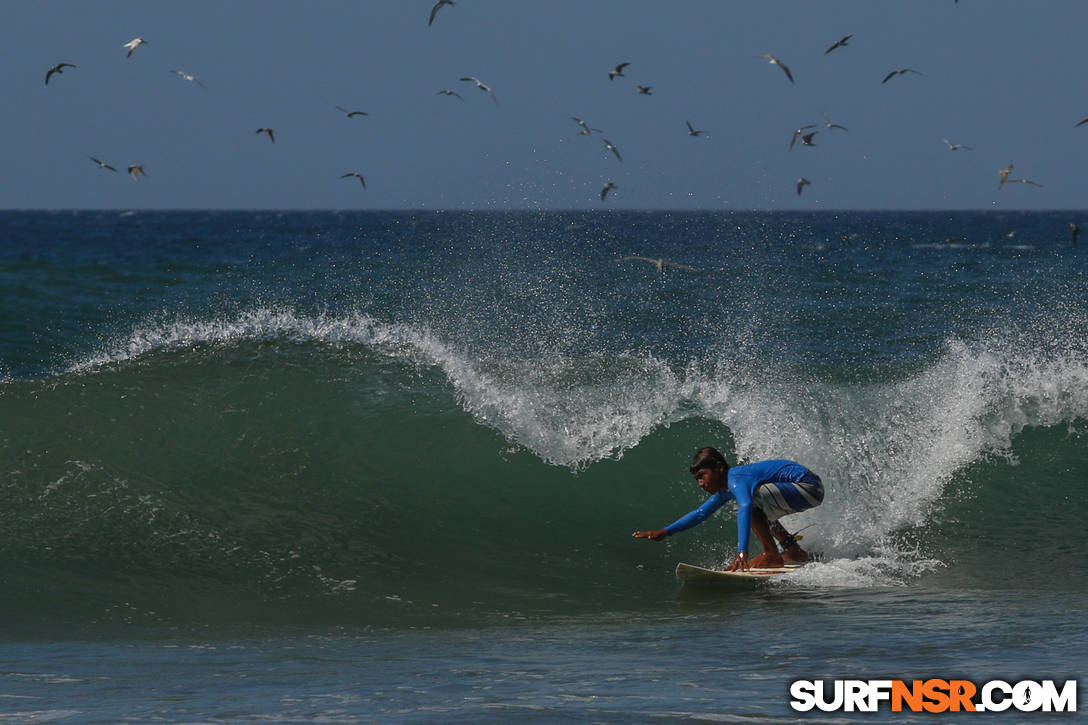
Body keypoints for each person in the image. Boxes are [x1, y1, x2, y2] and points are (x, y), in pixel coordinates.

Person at [632, 447, 824, 571]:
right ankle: (793, 550)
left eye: (702, 475)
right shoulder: (728, 488)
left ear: (719, 467)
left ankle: (771, 555)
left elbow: (746, 506)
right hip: (807, 490)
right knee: (753, 505)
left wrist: (742, 552)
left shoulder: (736, 478)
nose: (700, 483)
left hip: (807, 486)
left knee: (749, 504)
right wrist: (666, 532)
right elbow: (700, 514)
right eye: (697, 479)